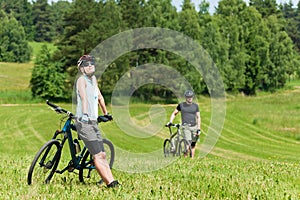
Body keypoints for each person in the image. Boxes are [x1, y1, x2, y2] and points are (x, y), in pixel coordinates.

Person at [74, 54, 119, 188]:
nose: (90, 66)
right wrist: (86, 114)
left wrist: (106, 113)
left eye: (92, 63)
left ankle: (113, 181)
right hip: (84, 122)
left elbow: (99, 97)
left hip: (93, 122)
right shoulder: (81, 80)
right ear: (81, 68)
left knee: (103, 154)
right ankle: (111, 184)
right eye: (87, 64)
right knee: (98, 155)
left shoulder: (93, 80)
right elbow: (84, 98)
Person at [167, 90, 201, 158]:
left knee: (193, 144)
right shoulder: (181, 105)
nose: (190, 98)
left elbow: (198, 117)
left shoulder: (195, 106)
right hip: (186, 126)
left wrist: (198, 128)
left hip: (194, 127)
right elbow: (174, 113)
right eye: (188, 97)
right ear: (186, 97)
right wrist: (170, 121)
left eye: (191, 97)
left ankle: (192, 159)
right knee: (188, 143)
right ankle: (185, 158)